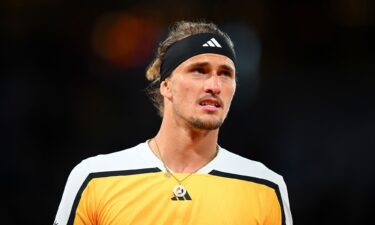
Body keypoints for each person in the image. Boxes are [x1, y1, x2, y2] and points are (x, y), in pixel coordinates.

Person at [54, 20, 293, 225]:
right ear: (166, 86)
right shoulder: (95, 179)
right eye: (199, 71)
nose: (214, 85)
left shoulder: (265, 187)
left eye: (225, 74)